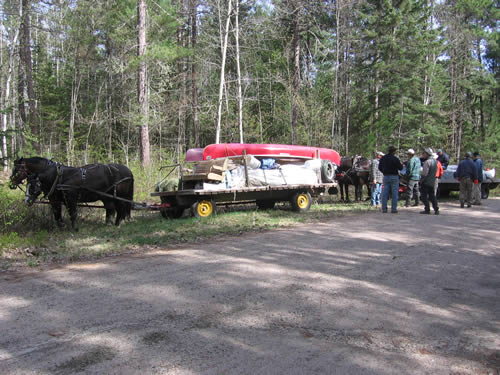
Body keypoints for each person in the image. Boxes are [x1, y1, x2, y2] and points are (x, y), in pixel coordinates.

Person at [378, 145, 403, 213]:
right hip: (394, 176)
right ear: (394, 151)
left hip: (386, 176)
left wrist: (384, 172)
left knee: (385, 193)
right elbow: (401, 168)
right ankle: (393, 209)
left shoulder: (383, 158)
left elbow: (379, 167)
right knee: (394, 193)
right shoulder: (395, 159)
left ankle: (384, 208)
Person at [420, 148, 439, 215]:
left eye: (424, 153)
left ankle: (427, 209)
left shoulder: (427, 162)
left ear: (427, 154)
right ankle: (436, 209)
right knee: (432, 196)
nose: (423, 155)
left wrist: (421, 181)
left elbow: (425, 173)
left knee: (423, 196)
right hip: (432, 181)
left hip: (426, 182)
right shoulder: (435, 162)